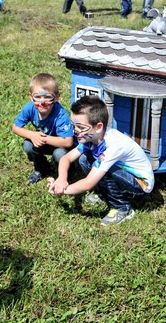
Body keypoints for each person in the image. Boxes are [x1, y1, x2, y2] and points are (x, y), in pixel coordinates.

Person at [47, 95, 154, 226]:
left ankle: (122, 208)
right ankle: (104, 195)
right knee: (84, 159)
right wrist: (62, 179)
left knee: (103, 169)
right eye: (73, 126)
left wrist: (62, 190)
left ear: (98, 127)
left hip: (140, 185)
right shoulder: (91, 137)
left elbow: (88, 183)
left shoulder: (113, 145)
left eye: (80, 127)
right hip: (123, 174)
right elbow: (66, 158)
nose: (75, 131)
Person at [11, 73, 75, 184]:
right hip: (43, 141)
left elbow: (68, 141)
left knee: (59, 154)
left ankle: (67, 173)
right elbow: (15, 127)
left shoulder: (60, 114)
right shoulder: (29, 108)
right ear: (31, 97)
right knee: (28, 145)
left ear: (57, 97)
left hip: (60, 145)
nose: (42, 102)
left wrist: (43, 139)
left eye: (48, 97)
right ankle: (41, 167)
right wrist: (33, 135)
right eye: (38, 97)